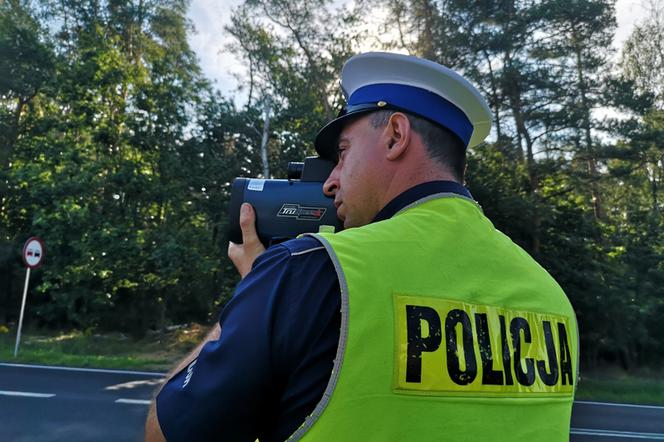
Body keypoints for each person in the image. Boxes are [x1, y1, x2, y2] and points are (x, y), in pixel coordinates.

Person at [146, 52, 579, 441]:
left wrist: (255, 290)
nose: (331, 181)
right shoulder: (552, 298)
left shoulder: (309, 271)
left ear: (395, 135)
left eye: (343, 153)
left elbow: (165, 435)